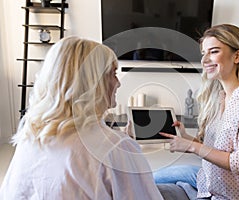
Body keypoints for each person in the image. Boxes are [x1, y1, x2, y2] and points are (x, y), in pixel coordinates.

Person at [0, 36, 163, 200]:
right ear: (93, 82)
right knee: (181, 185)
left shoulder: (30, 135)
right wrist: (126, 153)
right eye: (113, 74)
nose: (118, 83)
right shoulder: (115, 148)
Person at [154, 24, 239, 199]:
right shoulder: (219, 97)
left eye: (213, 52)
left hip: (235, 194)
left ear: (237, 56)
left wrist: (192, 146)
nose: (205, 60)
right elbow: (216, 150)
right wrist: (187, 139)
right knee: (147, 177)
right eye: (204, 53)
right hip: (208, 179)